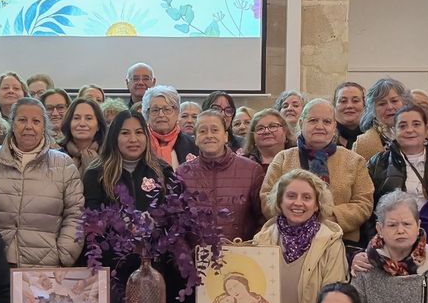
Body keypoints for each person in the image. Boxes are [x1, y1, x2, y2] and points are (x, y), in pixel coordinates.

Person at [83, 109, 189, 303]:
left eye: (139, 132)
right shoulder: (97, 173)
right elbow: (91, 217)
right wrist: (121, 224)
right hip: (115, 269)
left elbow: (176, 214)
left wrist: (156, 224)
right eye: (125, 133)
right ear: (114, 137)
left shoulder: (162, 170)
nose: (133, 139)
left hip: (156, 265)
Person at [0, 96, 85, 266]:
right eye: (22, 120)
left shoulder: (64, 164)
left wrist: (64, 255)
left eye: (36, 121)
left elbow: (76, 215)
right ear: (12, 124)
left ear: (44, 126)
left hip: (45, 267)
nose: (29, 126)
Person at [261, 99, 375, 245]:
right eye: (313, 120)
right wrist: (298, 218)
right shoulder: (284, 158)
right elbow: (267, 198)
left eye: (327, 122)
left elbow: (364, 203)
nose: (320, 126)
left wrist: (324, 219)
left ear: (334, 127)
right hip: (287, 242)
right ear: (301, 123)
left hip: (341, 241)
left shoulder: (354, 160)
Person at [252, 170, 349, 303]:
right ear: (280, 201)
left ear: (317, 204)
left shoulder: (331, 243)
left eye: (306, 197)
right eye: (291, 196)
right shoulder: (261, 239)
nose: (298, 203)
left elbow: (331, 301)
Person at [177, 109, 265, 242]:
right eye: (202, 131)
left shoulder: (252, 170)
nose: (209, 135)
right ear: (195, 139)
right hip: (195, 257)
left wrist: (250, 246)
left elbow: (263, 219)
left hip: (242, 256)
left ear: (226, 136)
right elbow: (177, 221)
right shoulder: (182, 173)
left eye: (215, 130)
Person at [365, 100, 428, 214]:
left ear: (426, 127)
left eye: (416, 124)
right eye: (402, 126)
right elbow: (368, 207)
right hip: (395, 228)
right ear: (394, 130)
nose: (409, 130)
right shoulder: (377, 163)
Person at [142, 85, 199, 168]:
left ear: (177, 112)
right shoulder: (140, 143)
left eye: (167, 109)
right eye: (155, 110)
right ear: (147, 114)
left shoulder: (193, 145)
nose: (161, 114)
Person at [352, 78, 408, 161]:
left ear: (404, 103)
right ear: (373, 110)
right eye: (382, 104)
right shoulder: (362, 145)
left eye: (394, 101)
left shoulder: (421, 135)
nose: (389, 107)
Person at [58, 96, 106, 171]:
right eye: (76, 118)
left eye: (89, 118)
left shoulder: (109, 154)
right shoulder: (56, 154)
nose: (82, 124)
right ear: (69, 123)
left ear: (98, 126)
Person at [333, 81, 366, 148]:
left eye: (355, 101)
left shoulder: (378, 139)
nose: (349, 106)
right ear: (334, 106)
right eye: (343, 101)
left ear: (364, 105)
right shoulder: (324, 139)